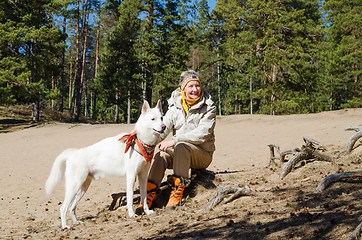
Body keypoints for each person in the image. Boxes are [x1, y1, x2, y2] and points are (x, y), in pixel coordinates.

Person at [138, 70, 216, 211]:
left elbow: (203, 133)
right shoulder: (175, 106)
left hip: (202, 154)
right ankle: (148, 196)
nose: (195, 90)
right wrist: (143, 139)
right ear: (183, 88)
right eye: (190, 86)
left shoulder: (209, 106)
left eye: (197, 86)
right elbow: (163, 128)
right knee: (162, 155)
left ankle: (177, 192)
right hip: (181, 153)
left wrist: (174, 141)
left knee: (180, 146)